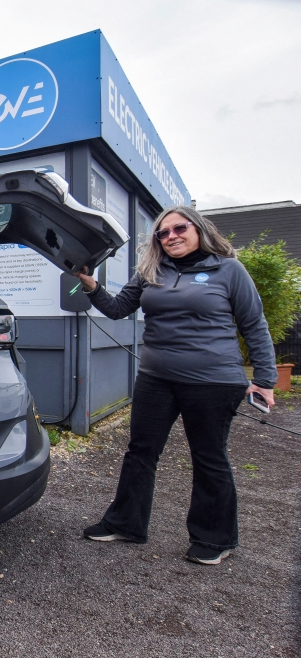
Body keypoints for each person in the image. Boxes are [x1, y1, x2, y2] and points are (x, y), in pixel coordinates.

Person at [77, 205, 277, 565]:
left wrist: (264, 380)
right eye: (163, 233)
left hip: (213, 381)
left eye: (179, 228)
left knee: (208, 457)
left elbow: (254, 324)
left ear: (198, 229)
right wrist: (91, 286)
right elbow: (119, 308)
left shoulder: (228, 269)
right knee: (140, 451)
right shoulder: (151, 271)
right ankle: (126, 523)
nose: (171, 237)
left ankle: (215, 539)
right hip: (156, 379)